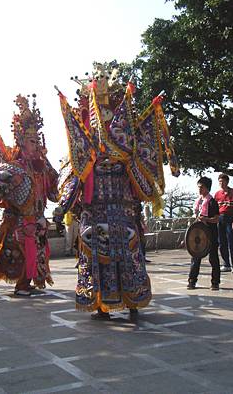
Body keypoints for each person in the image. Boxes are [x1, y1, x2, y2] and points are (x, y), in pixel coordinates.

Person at [53, 63, 179, 321]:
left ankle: (132, 299)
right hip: (96, 212)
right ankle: (101, 303)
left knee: (129, 254)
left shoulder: (126, 155)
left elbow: (142, 184)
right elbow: (75, 180)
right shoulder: (86, 156)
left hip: (122, 212)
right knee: (95, 251)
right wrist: (62, 206)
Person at [0, 95, 59, 296]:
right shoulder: (16, 167)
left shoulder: (41, 165)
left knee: (38, 251)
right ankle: (22, 284)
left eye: (37, 140)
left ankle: (29, 281)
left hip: (38, 218)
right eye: (32, 141)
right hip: (19, 219)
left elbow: (53, 191)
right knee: (24, 251)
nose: (36, 145)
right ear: (22, 142)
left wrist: (51, 170)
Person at [188, 177, 220, 290]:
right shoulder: (198, 201)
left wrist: (206, 220)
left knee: (213, 258)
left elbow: (216, 219)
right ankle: (192, 281)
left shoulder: (212, 202)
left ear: (207, 188)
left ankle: (215, 282)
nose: (199, 189)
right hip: (198, 235)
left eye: (201, 187)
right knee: (195, 257)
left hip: (210, 233)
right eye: (199, 187)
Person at [214, 173, 233, 273]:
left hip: (230, 218)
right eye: (219, 181)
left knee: (231, 242)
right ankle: (226, 263)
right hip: (220, 218)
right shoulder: (217, 194)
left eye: (223, 181)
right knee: (222, 242)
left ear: (227, 182)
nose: (221, 183)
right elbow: (214, 209)